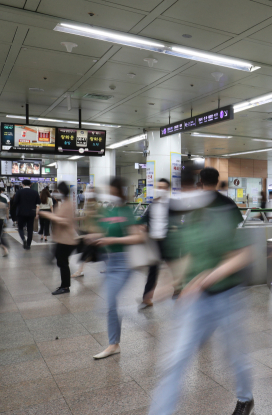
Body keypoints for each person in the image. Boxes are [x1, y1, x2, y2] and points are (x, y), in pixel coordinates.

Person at [148, 167, 255, 415]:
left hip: (227, 294)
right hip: (197, 300)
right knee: (175, 360)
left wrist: (207, 277)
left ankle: (245, 398)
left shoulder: (222, 210)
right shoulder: (186, 216)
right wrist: (174, 282)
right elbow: (187, 254)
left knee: (235, 353)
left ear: (199, 184)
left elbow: (241, 255)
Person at [90, 177, 146, 359]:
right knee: (109, 303)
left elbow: (137, 238)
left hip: (124, 262)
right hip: (110, 261)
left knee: (110, 301)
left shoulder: (126, 211)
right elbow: (102, 230)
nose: (110, 194)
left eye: (113, 191)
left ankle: (116, 341)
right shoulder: (108, 210)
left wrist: (113, 240)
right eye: (109, 191)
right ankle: (114, 344)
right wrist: (93, 237)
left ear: (119, 191)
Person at [38, 183, 78, 295]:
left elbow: (64, 221)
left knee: (63, 263)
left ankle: (65, 287)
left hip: (66, 240)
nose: (54, 193)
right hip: (61, 239)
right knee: (61, 261)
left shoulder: (68, 204)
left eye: (56, 191)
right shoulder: (64, 203)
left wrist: (47, 215)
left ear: (61, 192)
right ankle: (64, 285)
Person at [140, 178, 170, 309]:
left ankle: (182, 291)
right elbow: (143, 219)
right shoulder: (153, 204)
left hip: (168, 242)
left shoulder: (172, 205)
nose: (160, 189)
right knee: (153, 271)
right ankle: (147, 298)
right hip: (154, 243)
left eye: (163, 187)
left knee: (175, 268)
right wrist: (141, 226)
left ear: (167, 189)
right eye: (159, 187)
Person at [13, 179, 41, 250]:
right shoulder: (35, 192)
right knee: (30, 229)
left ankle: (23, 239)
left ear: (22, 184)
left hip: (21, 213)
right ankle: (28, 244)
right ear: (30, 185)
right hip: (31, 213)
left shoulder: (19, 192)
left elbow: (15, 202)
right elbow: (38, 202)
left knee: (20, 228)